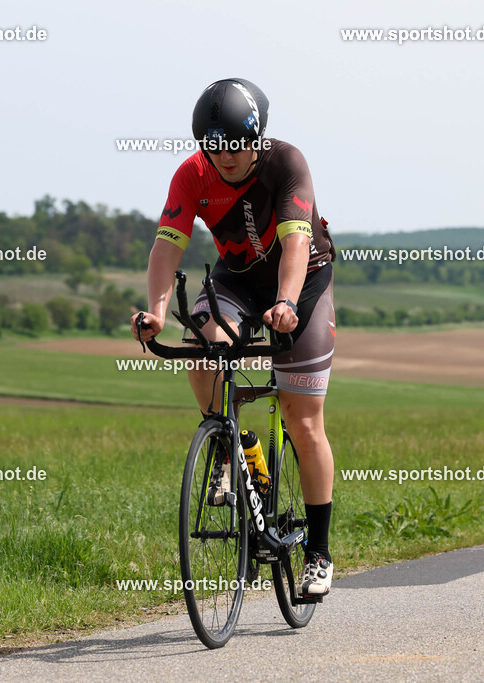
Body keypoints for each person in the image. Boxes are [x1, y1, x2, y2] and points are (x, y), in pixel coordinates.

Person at [130, 78, 337, 597]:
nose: (223, 158)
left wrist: (287, 303)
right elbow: (166, 247)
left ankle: (318, 552)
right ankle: (234, 446)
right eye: (212, 146)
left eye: (235, 146)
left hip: (303, 280)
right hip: (238, 279)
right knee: (204, 346)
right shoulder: (192, 173)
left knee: (302, 419)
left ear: (258, 137)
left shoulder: (286, 164)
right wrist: (156, 312)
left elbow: (294, 244)